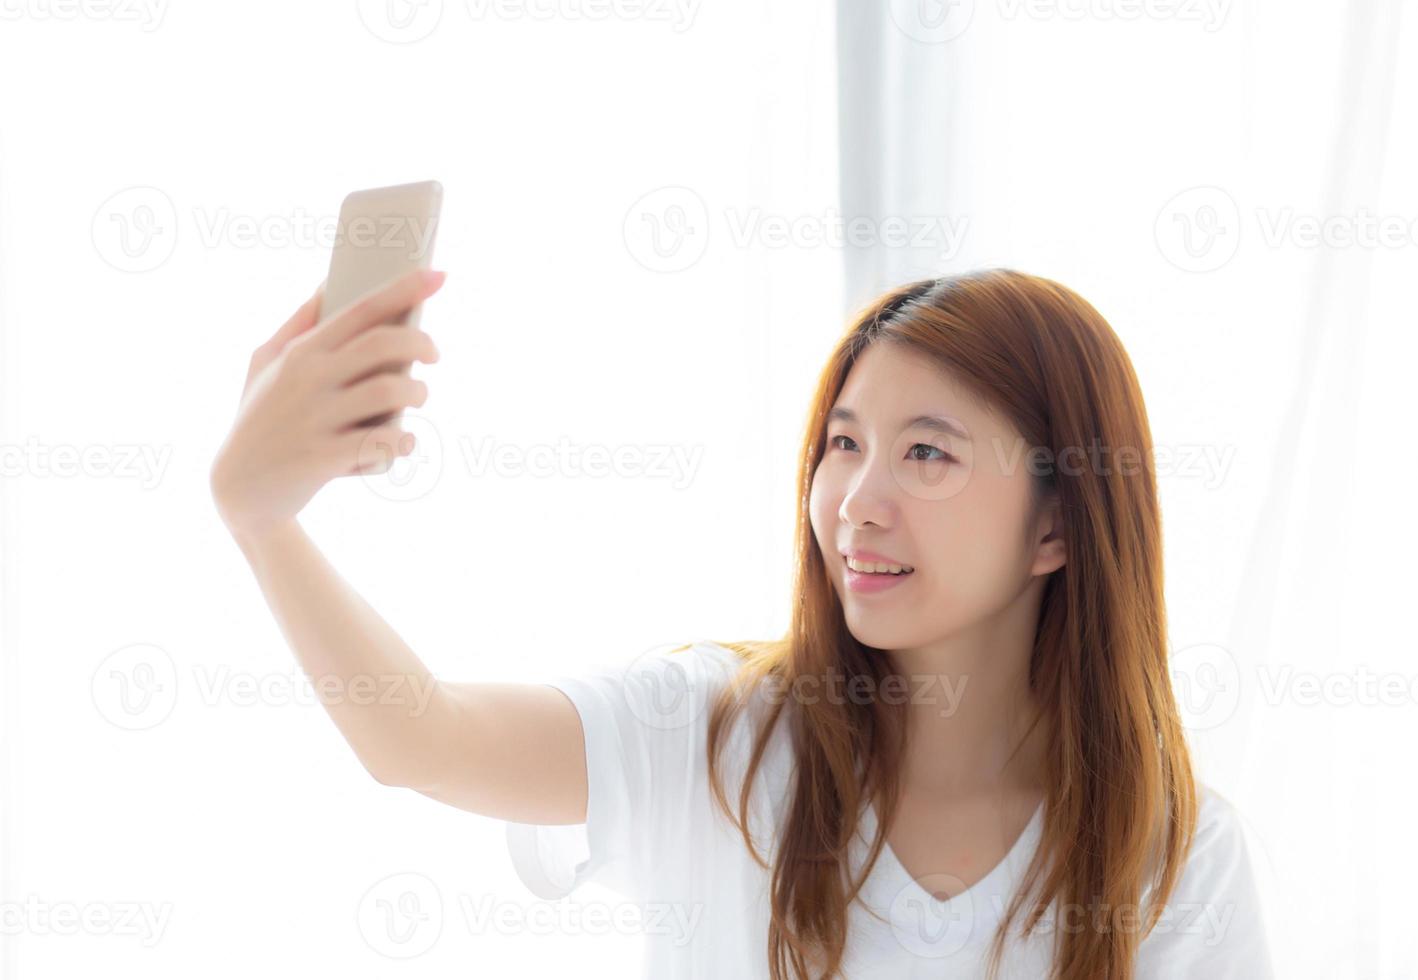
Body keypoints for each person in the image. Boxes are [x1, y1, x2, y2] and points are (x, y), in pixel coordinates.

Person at [210, 266, 1276, 979]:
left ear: (1057, 525)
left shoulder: (1175, 859)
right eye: (844, 443)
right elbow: (419, 738)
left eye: (927, 452)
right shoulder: (712, 735)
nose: (857, 498)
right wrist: (263, 522)